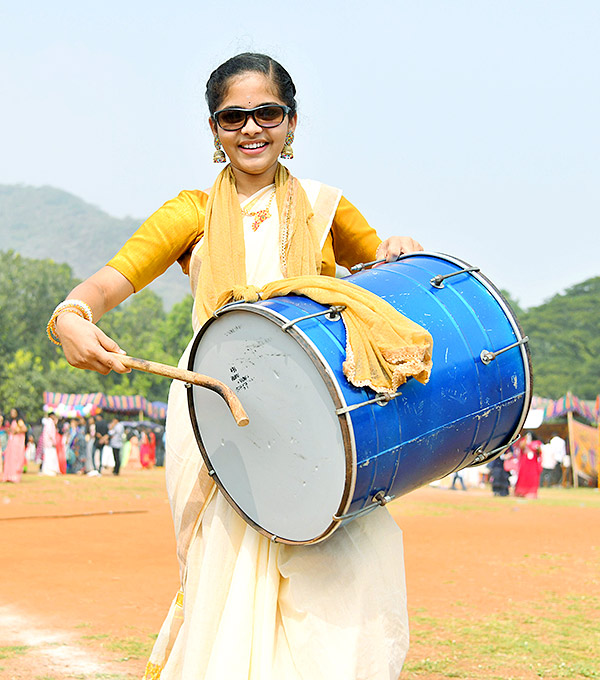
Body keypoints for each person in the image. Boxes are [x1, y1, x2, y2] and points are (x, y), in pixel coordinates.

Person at [48, 53, 429, 679]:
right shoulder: (189, 212)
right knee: (227, 575)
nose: (251, 129)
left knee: (345, 564)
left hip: (320, 415)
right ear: (213, 130)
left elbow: (386, 276)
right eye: (233, 117)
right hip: (216, 411)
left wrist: (396, 250)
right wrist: (71, 314)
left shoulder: (326, 206)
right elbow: (110, 284)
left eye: (266, 113)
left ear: (292, 122)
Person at [1, 408, 28, 483]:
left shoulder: (19, 421)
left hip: (17, 442)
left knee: (15, 458)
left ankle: (14, 476)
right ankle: (8, 475)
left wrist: (17, 431)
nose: (12, 413)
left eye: (14, 412)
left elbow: (24, 429)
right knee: (10, 457)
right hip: (12, 441)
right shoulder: (12, 421)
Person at [514, 431, 543, 498]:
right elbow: (521, 447)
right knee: (524, 476)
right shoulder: (523, 442)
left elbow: (539, 451)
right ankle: (521, 492)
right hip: (525, 462)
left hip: (533, 463)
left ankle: (531, 492)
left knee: (533, 477)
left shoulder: (537, 443)